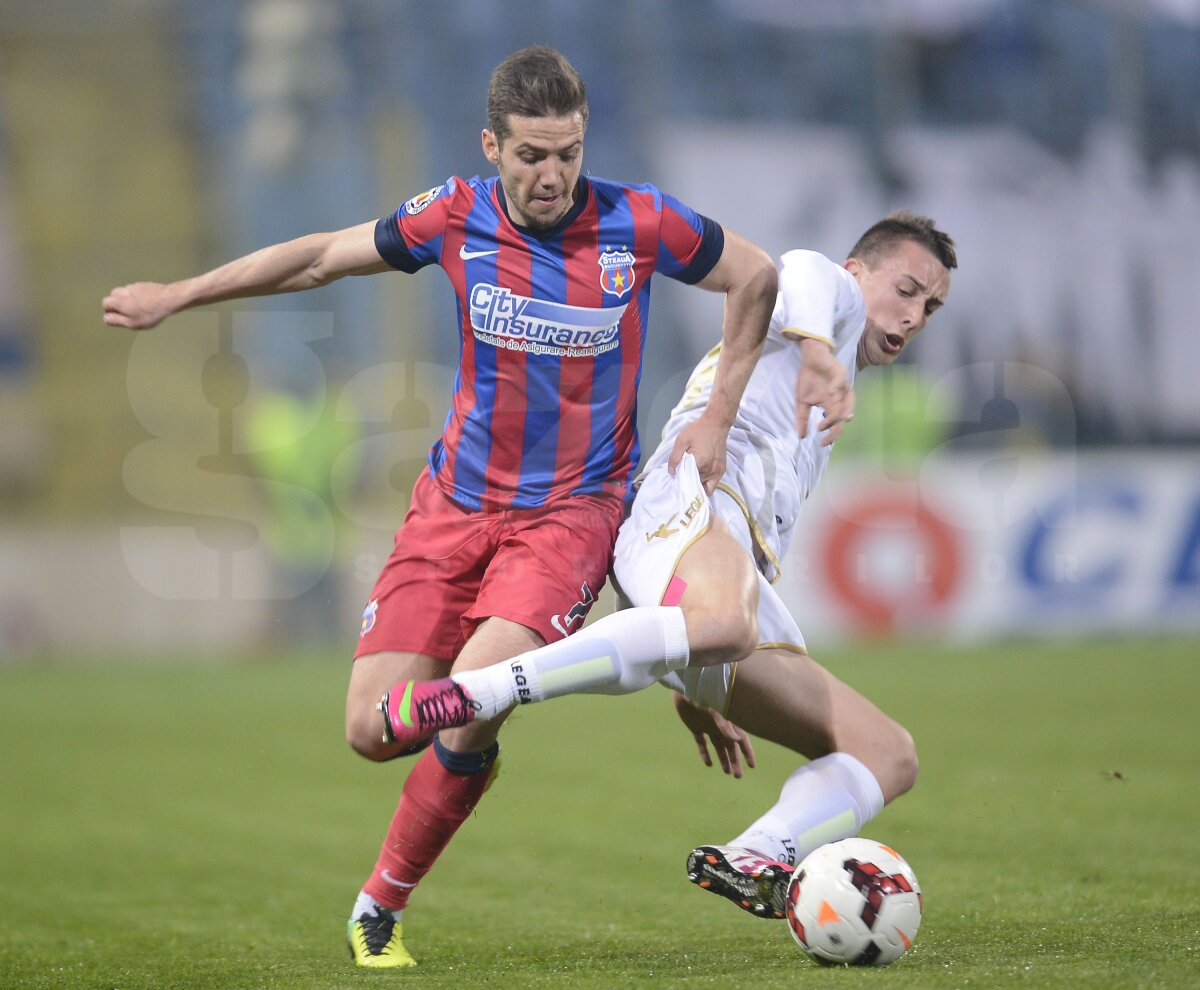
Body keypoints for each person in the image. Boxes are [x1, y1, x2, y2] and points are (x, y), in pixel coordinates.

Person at [102, 46, 806, 968]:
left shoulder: (640, 222)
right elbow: (320, 257)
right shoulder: (453, 214)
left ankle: (377, 910)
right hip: (451, 509)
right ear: (492, 146)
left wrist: (716, 417)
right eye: (531, 156)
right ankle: (463, 773)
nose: (553, 175)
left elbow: (756, 276)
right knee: (370, 730)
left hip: (567, 520)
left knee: (471, 705)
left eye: (568, 153)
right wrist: (179, 295)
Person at [379, 211, 956, 920]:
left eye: (930, 305)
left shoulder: (830, 380)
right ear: (859, 271)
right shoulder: (826, 305)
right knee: (724, 620)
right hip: (682, 501)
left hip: (710, 571)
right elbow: (798, 266)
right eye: (906, 289)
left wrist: (692, 677)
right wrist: (815, 352)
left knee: (888, 753)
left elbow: (735, 562)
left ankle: (760, 853)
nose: (915, 314)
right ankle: (479, 692)